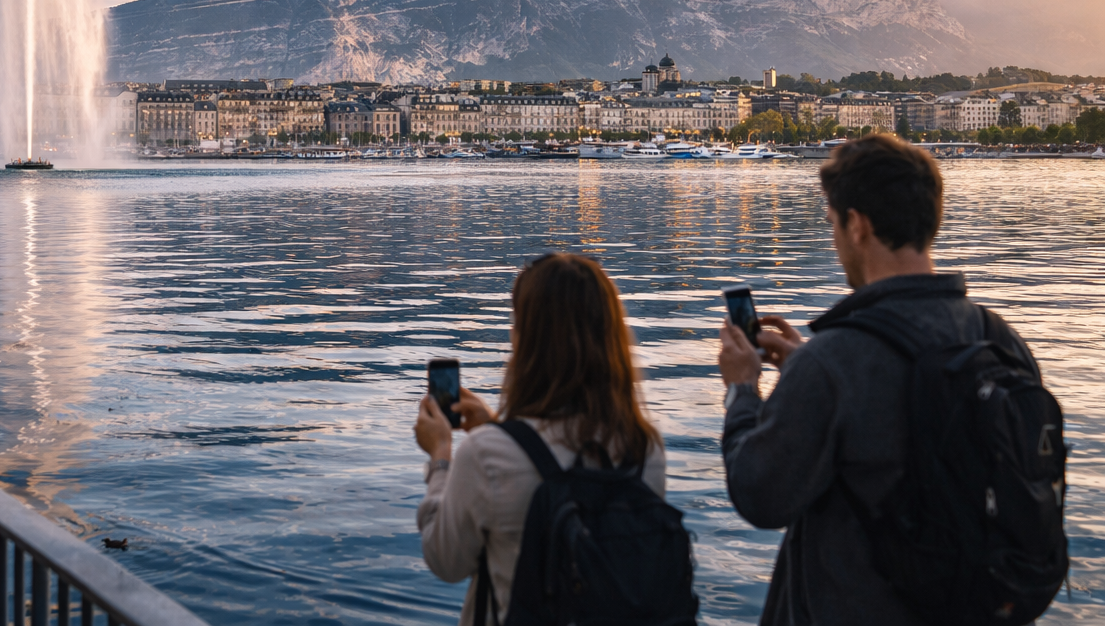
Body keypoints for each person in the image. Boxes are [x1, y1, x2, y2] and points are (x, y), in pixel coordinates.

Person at [718, 133, 1042, 625]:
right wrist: (807, 365)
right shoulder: (999, 339)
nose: (834, 238)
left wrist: (743, 388)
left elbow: (759, 494)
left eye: (832, 222)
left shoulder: (834, 361)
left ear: (857, 225)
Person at [414, 252, 666, 625]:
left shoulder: (488, 456)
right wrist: (497, 427)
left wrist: (440, 458)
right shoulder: (644, 447)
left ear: (527, 341)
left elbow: (446, 559)